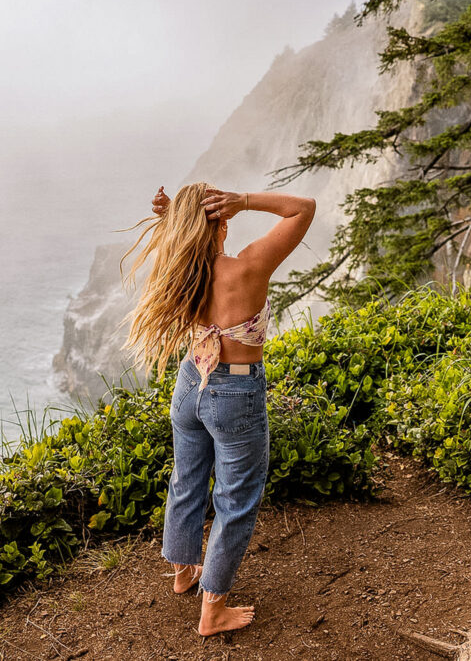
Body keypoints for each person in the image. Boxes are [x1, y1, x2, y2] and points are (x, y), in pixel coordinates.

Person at [120, 182, 315, 636]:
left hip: (189, 385)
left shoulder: (180, 266)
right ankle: (213, 611)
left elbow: (185, 236)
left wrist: (178, 214)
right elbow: (302, 209)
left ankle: (183, 574)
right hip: (234, 392)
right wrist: (244, 200)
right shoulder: (247, 266)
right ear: (222, 221)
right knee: (236, 500)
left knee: (186, 481)